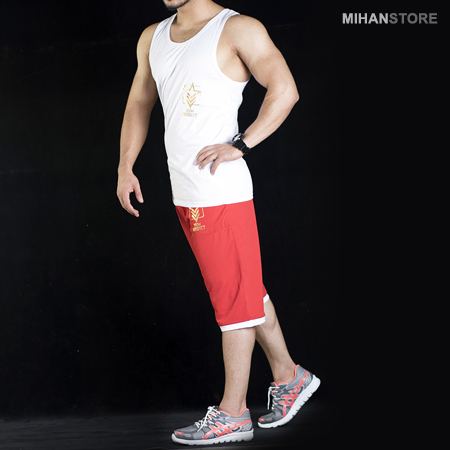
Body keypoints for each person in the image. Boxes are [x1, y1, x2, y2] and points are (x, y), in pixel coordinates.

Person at [117, 0, 320, 445]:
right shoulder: (153, 37)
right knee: (245, 289)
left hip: (221, 192)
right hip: (186, 192)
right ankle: (290, 377)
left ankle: (233, 413)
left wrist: (241, 144)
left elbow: (285, 89)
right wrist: (125, 166)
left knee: (233, 300)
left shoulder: (237, 29)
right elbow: (140, 100)